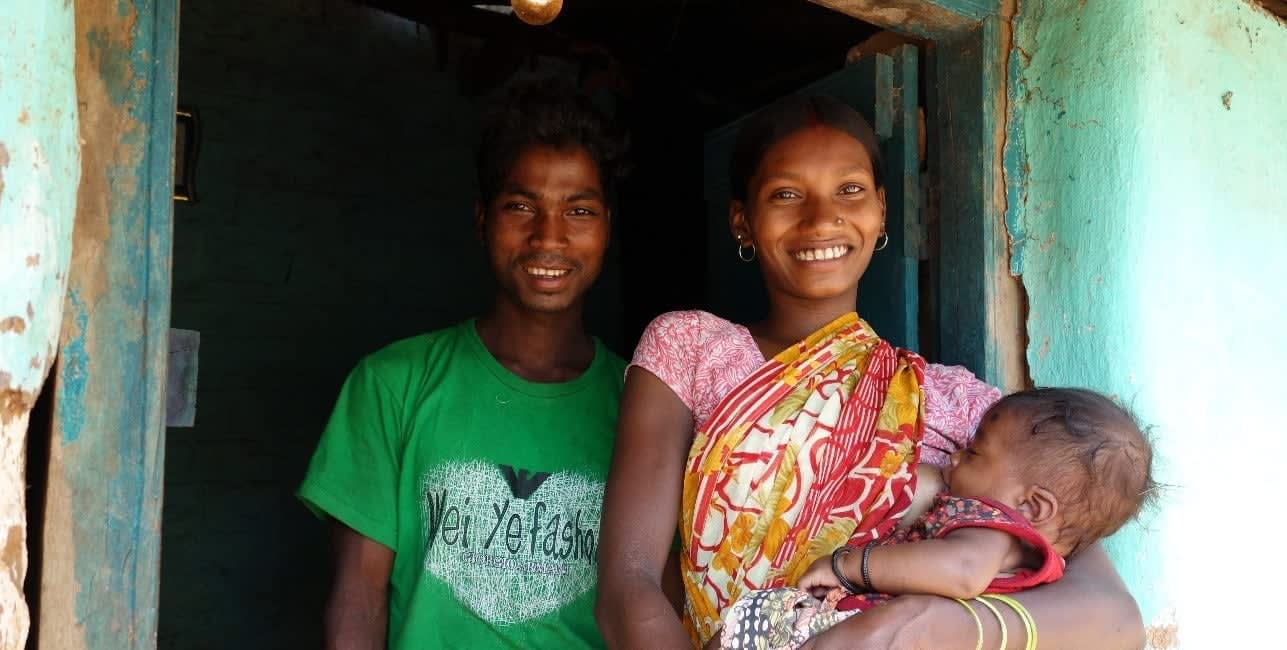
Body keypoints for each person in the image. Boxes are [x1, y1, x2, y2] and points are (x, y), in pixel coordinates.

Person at [595, 95, 1146, 650]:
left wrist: (913, 625)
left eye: (850, 190)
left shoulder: (966, 410)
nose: (821, 218)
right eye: (786, 194)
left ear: (881, 210)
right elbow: (628, 585)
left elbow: (1114, 619)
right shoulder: (689, 348)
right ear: (742, 219)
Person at [298, 80, 627, 649]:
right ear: (482, 220)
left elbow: (667, 598)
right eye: (521, 207)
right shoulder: (392, 383)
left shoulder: (644, 403)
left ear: (607, 228)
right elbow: (358, 598)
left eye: (579, 210)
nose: (549, 236)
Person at [718, 388, 1156, 650]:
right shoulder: (1016, 527)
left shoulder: (992, 527)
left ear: (1034, 506)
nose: (956, 454)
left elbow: (961, 572)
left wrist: (849, 565)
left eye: (975, 452)